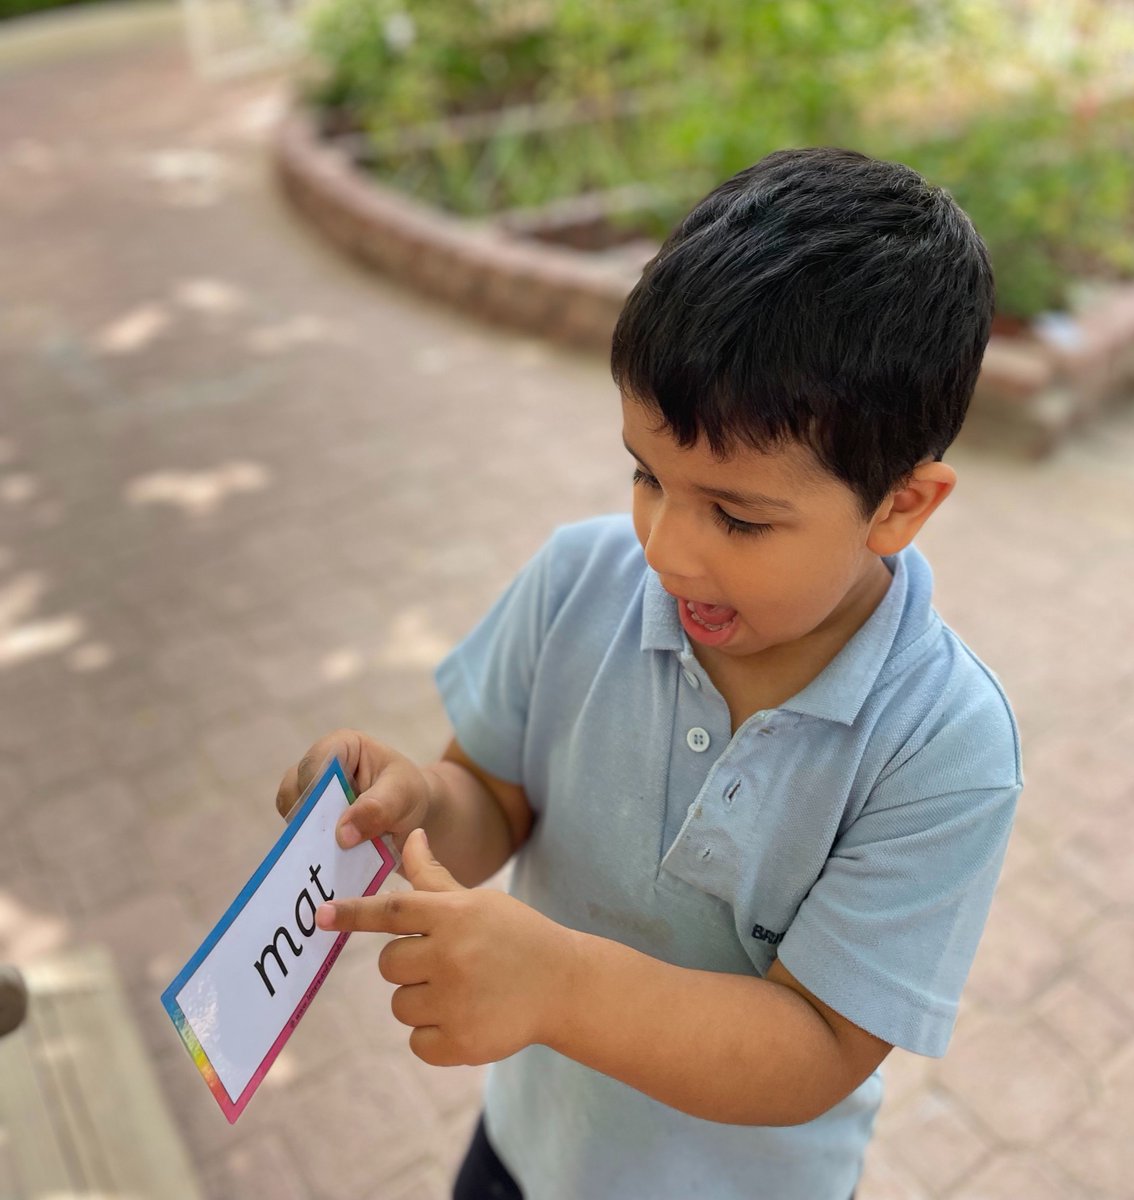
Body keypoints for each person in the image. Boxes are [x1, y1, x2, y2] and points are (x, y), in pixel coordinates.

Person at [275, 146, 1022, 1200]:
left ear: (902, 504)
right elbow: (492, 795)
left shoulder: (945, 744)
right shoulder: (582, 580)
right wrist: (410, 806)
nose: (667, 549)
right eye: (644, 474)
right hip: (528, 1152)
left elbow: (817, 1045)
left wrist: (560, 985)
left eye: (738, 514)